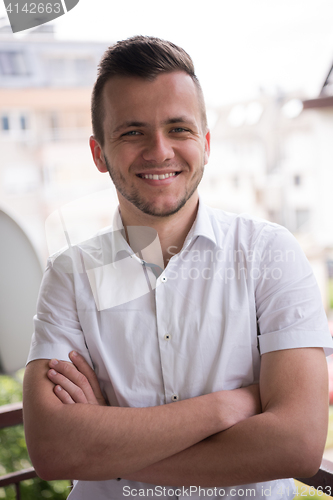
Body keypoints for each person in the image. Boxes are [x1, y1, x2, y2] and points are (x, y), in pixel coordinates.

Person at [23, 36, 333, 500]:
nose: (159, 150)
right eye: (132, 132)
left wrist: (108, 442)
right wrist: (228, 406)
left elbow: (298, 445)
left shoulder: (271, 253)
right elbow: (52, 449)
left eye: (179, 129)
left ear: (206, 143)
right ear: (98, 153)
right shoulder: (71, 273)